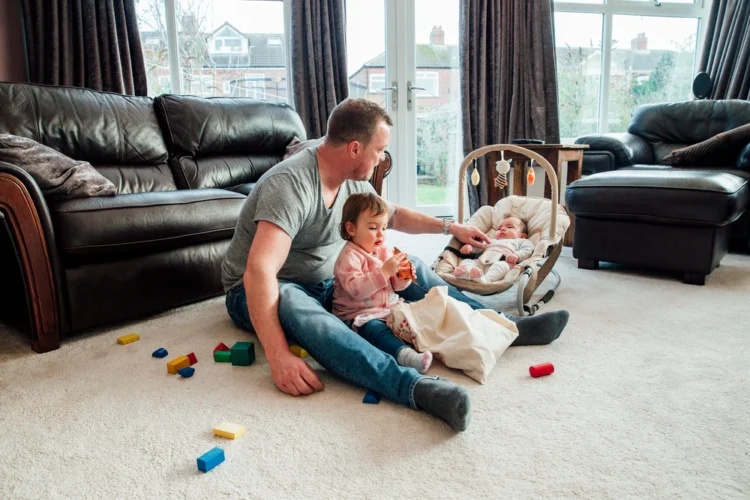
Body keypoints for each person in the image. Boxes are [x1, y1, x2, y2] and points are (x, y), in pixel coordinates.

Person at [221, 98, 569, 432]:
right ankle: (412, 386)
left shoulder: (350, 176)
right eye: (379, 150)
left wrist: (451, 227)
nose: (382, 158)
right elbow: (260, 272)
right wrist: (278, 355)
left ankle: (504, 324)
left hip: (332, 280)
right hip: (256, 291)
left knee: (409, 263)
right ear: (355, 148)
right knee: (297, 302)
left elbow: (392, 215)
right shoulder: (291, 185)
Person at [332, 192, 433, 373]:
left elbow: (395, 287)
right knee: (375, 330)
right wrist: (384, 271)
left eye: (384, 228)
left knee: (416, 313)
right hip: (359, 315)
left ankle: (433, 342)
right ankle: (405, 356)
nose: (380, 234)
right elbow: (356, 290)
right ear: (351, 229)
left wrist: (403, 277)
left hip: (389, 307)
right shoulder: (348, 257)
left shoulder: (383, 251)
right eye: (372, 228)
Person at [453, 216, 534, 282]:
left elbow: (528, 249)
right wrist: (470, 248)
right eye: (498, 228)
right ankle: (465, 273)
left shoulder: (520, 241)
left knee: (500, 266)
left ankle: (485, 279)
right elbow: (479, 247)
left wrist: (517, 255)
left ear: (522, 235)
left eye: (509, 227)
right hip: (482, 260)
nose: (502, 229)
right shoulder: (490, 240)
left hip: (503, 261)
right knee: (467, 261)